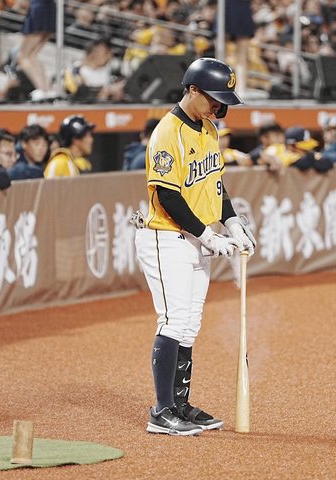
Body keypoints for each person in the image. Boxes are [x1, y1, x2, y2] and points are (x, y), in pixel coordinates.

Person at [133, 57, 255, 436]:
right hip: (166, 237)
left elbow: (215, 185)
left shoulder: (208, 130)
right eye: (214, 99)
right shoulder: (167, 133)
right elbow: (167, 196)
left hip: (196, 240)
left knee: (189, 326)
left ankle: (180, 405)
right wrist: (207, 235)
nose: (219, 107)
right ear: (192, 90)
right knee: (172, 321)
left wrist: (232, 222)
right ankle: (162, 411)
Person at [17, 0, 56, 100]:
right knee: (32, 55)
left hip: (38, 8)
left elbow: (22, 4)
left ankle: (43, 89)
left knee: (23, 56)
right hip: (49, 8)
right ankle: (47, 89)